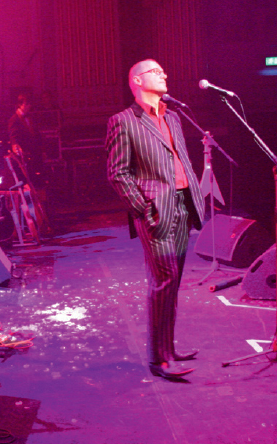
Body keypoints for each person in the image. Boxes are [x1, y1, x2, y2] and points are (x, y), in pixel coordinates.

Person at [106, 59, 204, 379]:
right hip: (156, 211)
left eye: (164, 70)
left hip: (182, 206)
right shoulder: (123, 121)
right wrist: (143, 208)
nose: (164, 74)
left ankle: (168, 347)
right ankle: (159, 359)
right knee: (163, 280)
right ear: (136, 80)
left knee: (172, 283)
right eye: (156, 71)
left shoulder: (173, 117)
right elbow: (118, 173)